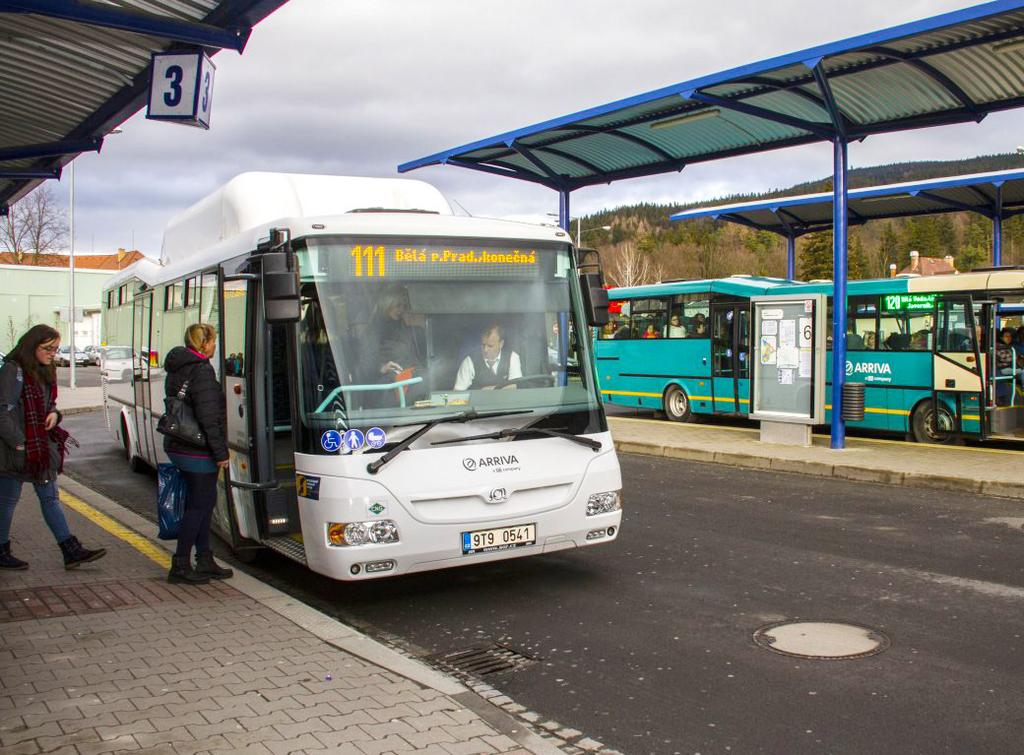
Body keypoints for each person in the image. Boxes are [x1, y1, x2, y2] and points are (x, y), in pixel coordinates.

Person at [0, 325, 105, 570]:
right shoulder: (12, 370)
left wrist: (55, 415)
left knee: (50, 498)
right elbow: (2, 412)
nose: (52, 354)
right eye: (47, 348)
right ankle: (3, 550)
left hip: (39, 449)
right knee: (7, 501)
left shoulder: (45, 371)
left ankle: (70, 550)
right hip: (16, 449)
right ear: (31, 346)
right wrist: (18, 443)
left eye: (55, 349)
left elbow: (51, 405)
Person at [162, 323, 233, 585]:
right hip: (197, 449)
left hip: (179, 444)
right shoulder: (202, 370)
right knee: (199, 506)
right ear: (204, 344)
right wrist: (220, 453)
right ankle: (180, 564)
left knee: (204, 503)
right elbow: (208, 417)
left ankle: (204, 559)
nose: (216, 345)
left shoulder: (179, 366)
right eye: (214, 341)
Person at [454, 324, 522, 390]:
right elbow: (458, 393)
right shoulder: (469, 361)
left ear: (501, 344)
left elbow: (515, 387)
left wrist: (490, 390)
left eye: (490, 346)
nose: (485, 349)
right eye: (483, 345)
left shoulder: (512, 357)